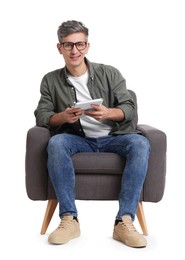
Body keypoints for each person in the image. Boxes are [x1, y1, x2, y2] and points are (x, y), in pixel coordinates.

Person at [34, 20, 151, 248]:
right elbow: (42, 115)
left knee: (140, 143)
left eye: (79, 44)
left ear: (87, 46)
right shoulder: (50, 80)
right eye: (68, 45)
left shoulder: (110, 73)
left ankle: (124, 221)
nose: (74, 50)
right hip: (78, 140)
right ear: (59, 48)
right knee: (57, 143)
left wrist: (108, 112)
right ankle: (69, 219)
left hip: (114, 137)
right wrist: (63, 117)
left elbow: (129, 108)